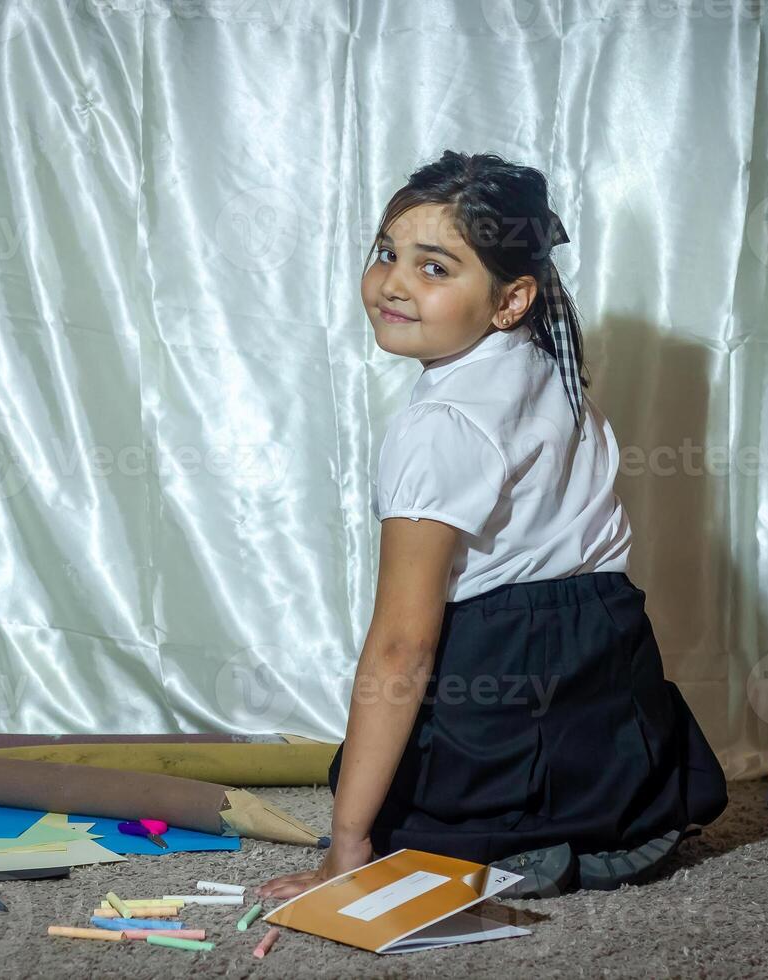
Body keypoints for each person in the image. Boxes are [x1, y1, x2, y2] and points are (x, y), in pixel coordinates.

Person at [256, 151, 727, 901]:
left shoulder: (440, 426)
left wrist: (346, 846)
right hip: (604, 669)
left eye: (435, 268)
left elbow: (403, 646)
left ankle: (502, 841)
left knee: (363, 780)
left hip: (503, 674)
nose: (394, 284)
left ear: (510, 300)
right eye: (387, 254)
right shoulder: (549, 366)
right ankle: (598, 822)